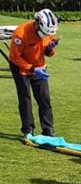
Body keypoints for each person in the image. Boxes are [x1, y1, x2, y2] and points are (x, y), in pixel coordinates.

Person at [9, 9, 60, 138]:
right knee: (25, 98)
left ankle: (48, 129)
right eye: (43, 33)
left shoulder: (48, 31)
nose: (45, 36)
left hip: (39, 66)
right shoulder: (20, 33)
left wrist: (50, 48)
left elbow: (49, 52)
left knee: (44, 98)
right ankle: (28, 130)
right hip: (20, 67)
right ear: (37, 24)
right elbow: (15, 58)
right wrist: (31, 69)